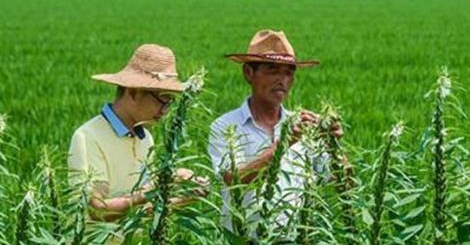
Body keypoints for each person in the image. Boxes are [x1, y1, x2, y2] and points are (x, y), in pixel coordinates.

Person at [208, 29, 343, 232]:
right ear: (248, 73)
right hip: (242, 238)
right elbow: (232, 180)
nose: (282, 80)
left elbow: (343, 183)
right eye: (272, 70)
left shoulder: (305, 127)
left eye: (289, 73)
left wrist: (334, 146)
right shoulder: (225, 126)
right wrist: (284, 143)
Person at [68, 44, 208, 236]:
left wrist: (187, 196)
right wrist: (158, 185)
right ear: (133, 92)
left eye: (170, 102)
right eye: (162, 100)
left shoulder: (145, 139)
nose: (165, 111)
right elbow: (97, 210)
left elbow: (142, 211)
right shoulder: (88, 137)